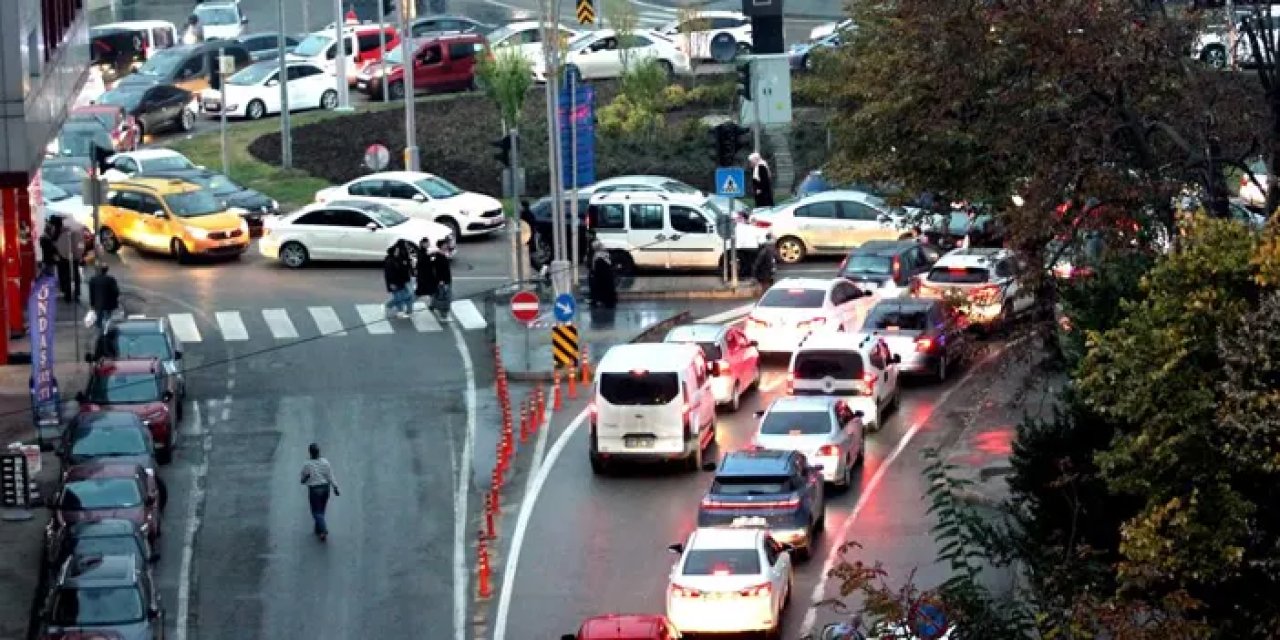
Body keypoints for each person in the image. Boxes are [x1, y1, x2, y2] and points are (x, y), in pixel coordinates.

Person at [299, 443, 339, 541]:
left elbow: (302, 480)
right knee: (321, 510)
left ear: (310, 453)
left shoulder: (307, 464)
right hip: (325, 489)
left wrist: (306, 478)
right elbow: (330, 476)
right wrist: (335, 487)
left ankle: (323, 530)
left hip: (314, 490)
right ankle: (318, 529)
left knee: (316, 512)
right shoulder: (325, 462)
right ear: (319, 452)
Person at [53, 214, 86, 303]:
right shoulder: (75, 232)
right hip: (74, 257)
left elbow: (57, 244)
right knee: (75, 276)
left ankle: (68, 295)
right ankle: (76, 294)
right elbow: (81, 244)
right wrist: (80, 254)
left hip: (64, 258)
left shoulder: (59, 232)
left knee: (66, 276)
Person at [88, 264, 120, 333]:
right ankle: (107, 330)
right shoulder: (111, 279)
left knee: (99, 318)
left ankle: (100, 331)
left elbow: (91, 293)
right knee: (108, 318)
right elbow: (116, 291)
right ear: (106, 271)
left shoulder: (93, 280)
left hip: (98, 304)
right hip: (109, 303)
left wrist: (92, 304)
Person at [383, 244, 413, 318]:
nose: (398, 252)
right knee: (398, 297)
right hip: (394, 282)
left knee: (405, 295)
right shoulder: (389, 261)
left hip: (400, 281)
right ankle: (398, 311)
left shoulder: (397, 259)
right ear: (393, 252)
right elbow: (388, 273)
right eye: (396, 251)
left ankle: (390, 306)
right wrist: (391, 283)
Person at [587, 241, 616, 308]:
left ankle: (598, 300)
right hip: (606, 278)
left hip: (601, 278)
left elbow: (595, 269)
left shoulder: (598, 258)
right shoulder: (606, 255)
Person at [429, 239, 452, 321]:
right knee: (445, 297)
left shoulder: (441, 255)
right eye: (445, 244)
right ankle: (443, 315)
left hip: (444, 280)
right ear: (441, 246)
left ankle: (433, 306)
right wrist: (441, 280)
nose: (447, 246)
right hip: (444, 280)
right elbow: (439, 270)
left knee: (438, 295)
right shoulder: (439, 257)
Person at [414, 237, 437, 305]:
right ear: (423, 244)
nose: (429, 244)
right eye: (427, 243)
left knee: (431, 292)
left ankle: (432, 304)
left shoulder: (424, 252)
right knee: (421, 292)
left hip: (426, 276)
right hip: (425, 277)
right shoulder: (422, 253)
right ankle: (409, 304)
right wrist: (432, 260)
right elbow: (423, 264)